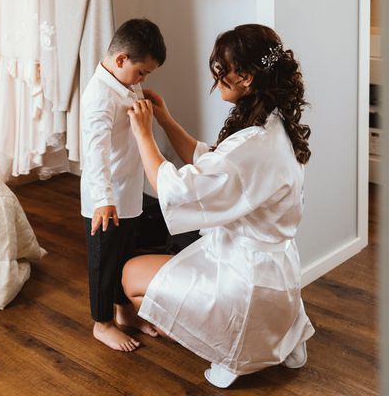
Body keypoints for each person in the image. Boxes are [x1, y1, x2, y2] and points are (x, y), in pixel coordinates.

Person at [123, 24, 315, 386]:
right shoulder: (275, 126)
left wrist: (143, 134)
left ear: (244, 77)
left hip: (244, 283)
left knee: (131, 275)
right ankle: (281, 337)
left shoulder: (249, 148)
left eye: (220, 69)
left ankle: (229, 346)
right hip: (279, 278)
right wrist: (165, 121)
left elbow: (178, 189)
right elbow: (211, 161)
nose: (217, 77)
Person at [81, 18, 166, 352]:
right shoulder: (99, 98)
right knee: (104, 262)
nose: (143, 80)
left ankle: (123, 311)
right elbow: (95, 154)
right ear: (120, 60)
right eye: (142, 72)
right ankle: (101, 324)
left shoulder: (125, 83)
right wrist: (103, 199)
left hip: (128, 192)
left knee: (125, 255)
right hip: (105, 199)